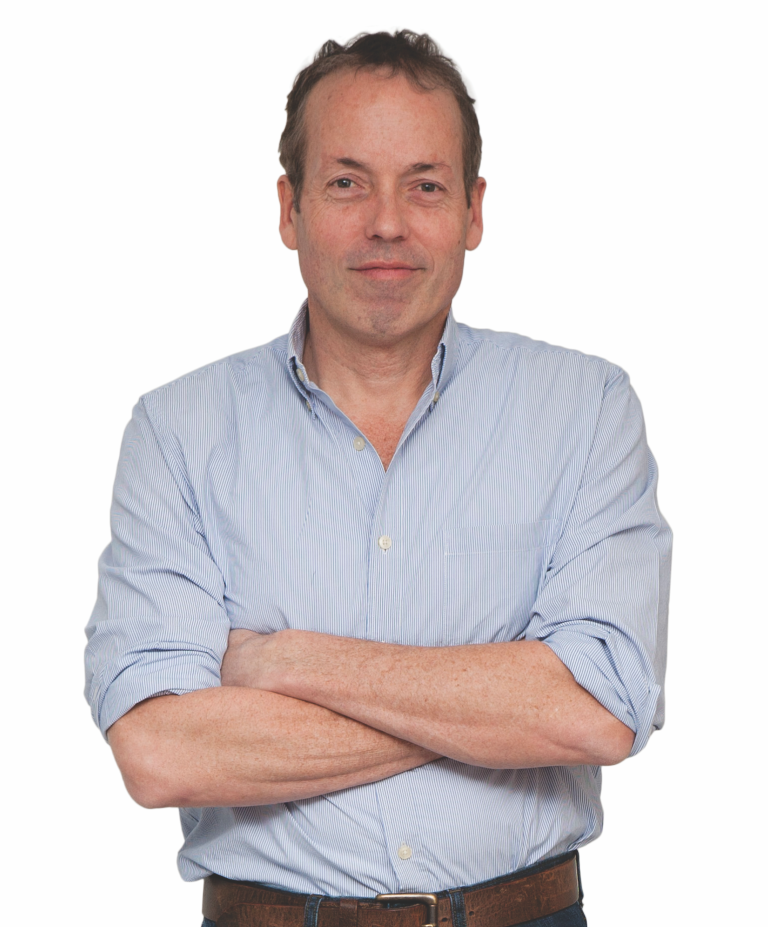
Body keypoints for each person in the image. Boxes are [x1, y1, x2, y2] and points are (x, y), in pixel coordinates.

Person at [85, 30, 671, 927]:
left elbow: (598, 710)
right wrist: (493, 711)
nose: (387, 222)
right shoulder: (179, 433)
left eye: (425, 185)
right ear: (290, 209)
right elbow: (163, 752)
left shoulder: (584, 409)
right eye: (348, 182)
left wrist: (286, 661)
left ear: (474, 211)